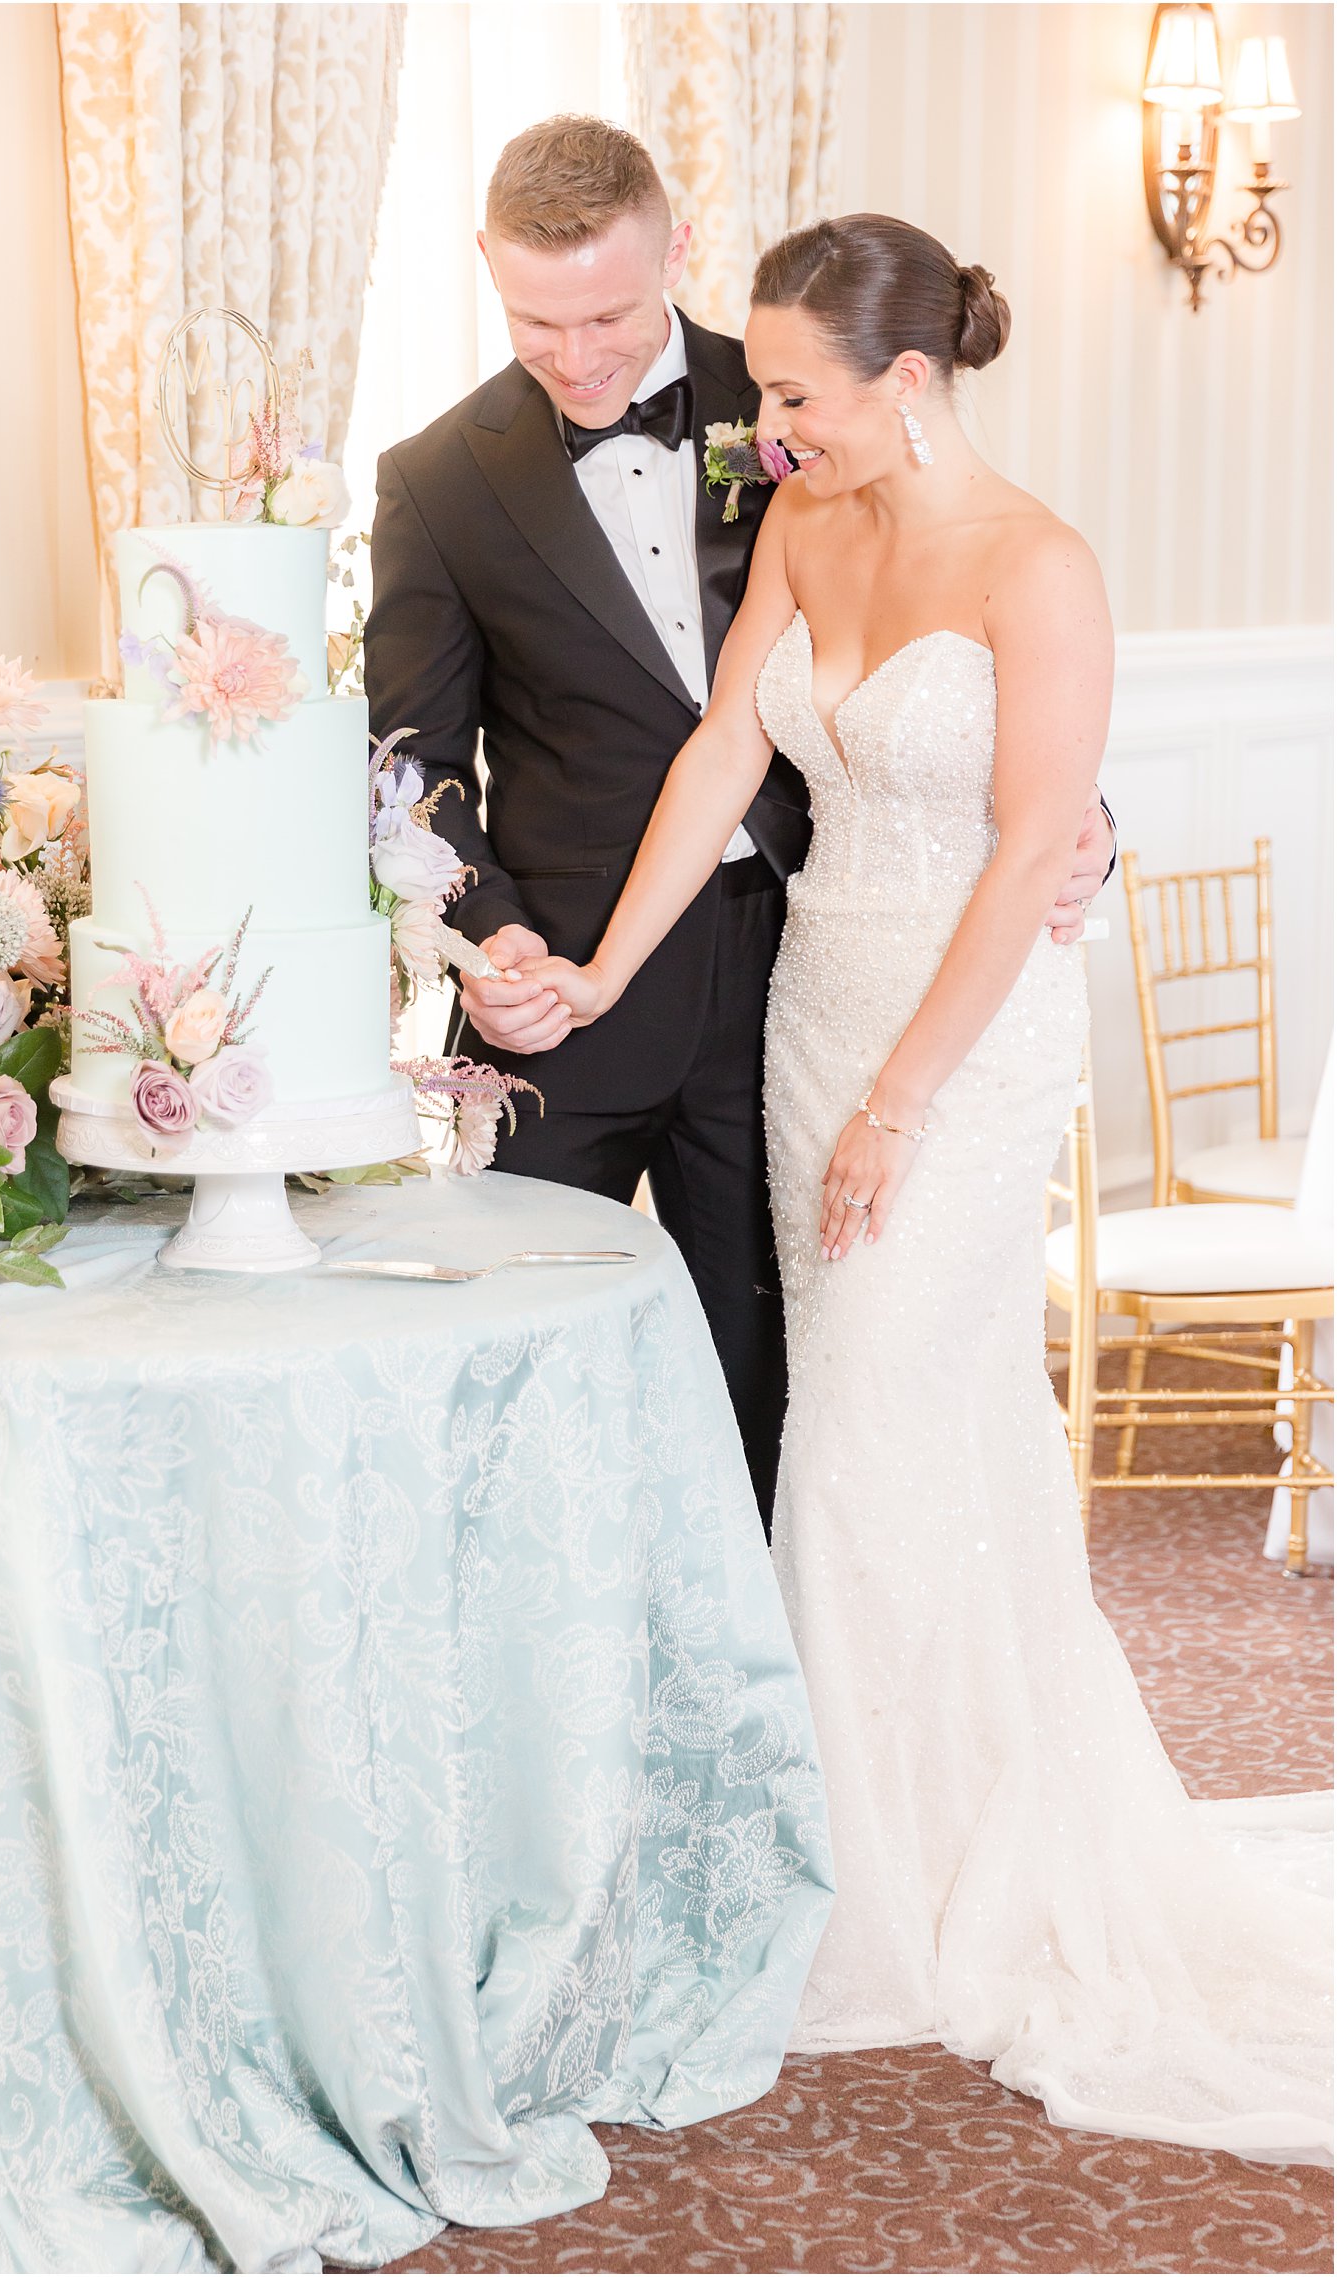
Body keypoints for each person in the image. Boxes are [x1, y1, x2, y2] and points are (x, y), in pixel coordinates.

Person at [529, 213, 1332, 2163]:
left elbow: (1024, 856)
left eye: (793, 389)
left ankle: (873, 1887)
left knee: (872, 1438)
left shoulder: (1039, 565)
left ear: (905, 381)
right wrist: (601, 974)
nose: (764, 421)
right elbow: (727, 751)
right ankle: (920, 1821)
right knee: (930, 1442)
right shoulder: (809, 524)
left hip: (960, 1053)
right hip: (820, 1005)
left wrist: (899, 1102)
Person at [364, 118, 1114, 1529]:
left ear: (675, 253)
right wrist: (499, 937)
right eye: (536, 320)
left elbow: (973, 656)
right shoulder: (438, 479)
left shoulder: (797, 391)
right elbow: (406, 760)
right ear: (482, 267)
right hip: (572, 987)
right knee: (504, 1369)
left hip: (804, 972)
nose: (581, 359)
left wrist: (1082, 824)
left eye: (609, 315)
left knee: (793, 1387)